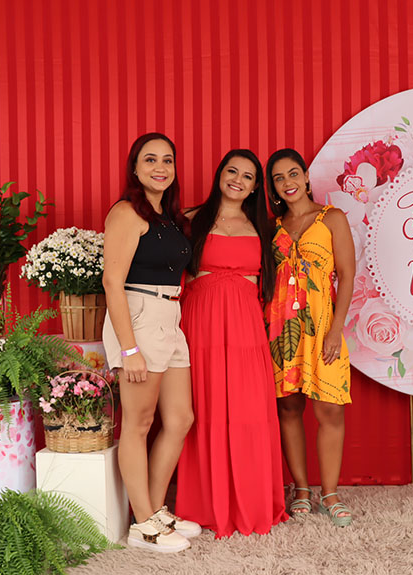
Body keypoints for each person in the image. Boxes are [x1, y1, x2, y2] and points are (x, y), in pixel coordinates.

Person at [175, 149, 289, 538]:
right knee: (203, 409)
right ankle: (205, 504)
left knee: (247, 410)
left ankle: (250, 501)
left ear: (256, 187)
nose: (237, 180)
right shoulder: (191, 220)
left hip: (245, 327)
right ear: (219, 174)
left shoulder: (265, 228)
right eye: (232, 171)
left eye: (248, 176)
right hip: (200, 324)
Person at [101, 132, 201, 553]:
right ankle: (143, 525)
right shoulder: (127, 212)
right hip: (139, 317)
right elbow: (112, 281)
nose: (160, 167)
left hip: (170, 315)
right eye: (150, 159)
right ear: (135, 168)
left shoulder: (169, 218)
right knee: (138, 424)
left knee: (179, 419)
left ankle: (155, 510)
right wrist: (129, 349)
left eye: (167, 160)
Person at [264, 148, 355, 527]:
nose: (287, 182)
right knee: (288, 408)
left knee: (330, 409)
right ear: (272, 187)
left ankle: (330, 493)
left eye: (292, 174)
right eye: (278, 178)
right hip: (280, 328)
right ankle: (301, 489)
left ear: (305, 176)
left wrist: (336, 329)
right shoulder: (271, 227)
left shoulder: (331, 218)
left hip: (322, 326)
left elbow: (347, 275)